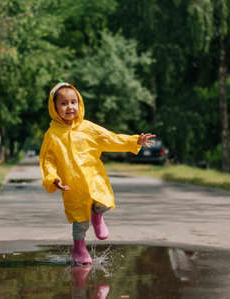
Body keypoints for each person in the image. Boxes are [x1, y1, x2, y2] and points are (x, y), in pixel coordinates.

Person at [39, 82, 155, 264]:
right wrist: (52, 178)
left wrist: (134, 141)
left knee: (105, 201)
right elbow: (47, 160)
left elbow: (110, 138)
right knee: (79, 219)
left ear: (79, 104)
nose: (69, 107)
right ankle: (79, 247)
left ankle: (97, 216)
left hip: (94, 178)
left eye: (73, 102)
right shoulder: (52, 135)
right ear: (54, 107)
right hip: (72, 184)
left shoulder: (88, 128)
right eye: (63, 103)